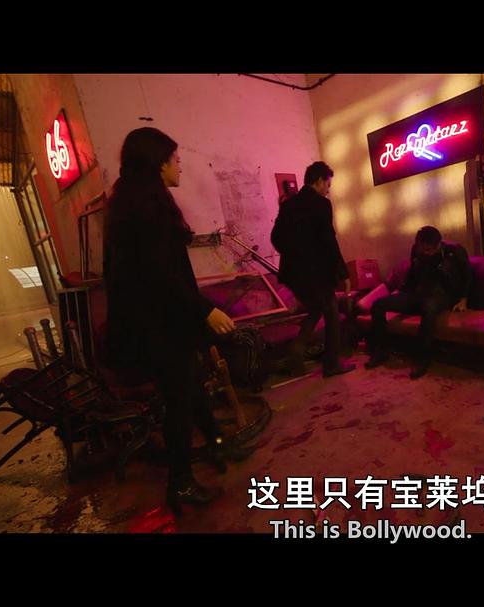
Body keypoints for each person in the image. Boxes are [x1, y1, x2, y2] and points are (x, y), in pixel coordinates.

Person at [103, 127, 239, 514]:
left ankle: (217, 444)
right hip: (161, 326)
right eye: (175, 160)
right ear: (158, 163)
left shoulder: (127, 202)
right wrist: (205, 310)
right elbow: (163, 275)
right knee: (179, 402)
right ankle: (181, 484)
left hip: (150, 325)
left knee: (191, 387)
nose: (180, 166)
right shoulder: (150, 206)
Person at [270, 161, 355, 378]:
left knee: (317, 309)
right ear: (319, 181)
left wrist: (295, 254)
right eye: (328, 184)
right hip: (316, 273)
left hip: (293, 274)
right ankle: (332, 363)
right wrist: (343, 273)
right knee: (332, 311)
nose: (328, 190)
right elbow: (329, 242)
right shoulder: (321, 204)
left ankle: (296, 351)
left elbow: (276, 238)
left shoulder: (288, 204)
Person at [366, 226, 472, 379]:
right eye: (422, 249)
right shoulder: (417, 250)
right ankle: (381, 350)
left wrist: (463, 299)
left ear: (438, 244)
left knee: (428, 307)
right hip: (417, 294)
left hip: (442, 295)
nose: (424, 252)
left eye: (428, 250)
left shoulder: (454, 251)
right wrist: (400, 292)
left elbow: (467, 275)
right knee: (378, 304)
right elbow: (412, 275)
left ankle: (423, 358)